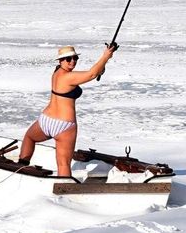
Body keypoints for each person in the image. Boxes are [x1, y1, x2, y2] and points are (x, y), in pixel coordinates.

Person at [18, 44, 116, 178]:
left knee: (29, 137)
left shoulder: (57, 72)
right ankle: (64, 191)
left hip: (46, 120)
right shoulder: (68, 78)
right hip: (64, 126)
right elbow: (91, 73)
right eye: (68, 59)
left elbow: (89, 74)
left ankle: (21, 166)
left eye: (75, 58)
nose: (72, 61)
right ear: (60, 61)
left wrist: (101, 68)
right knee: (63, 163)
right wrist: (105, 56)